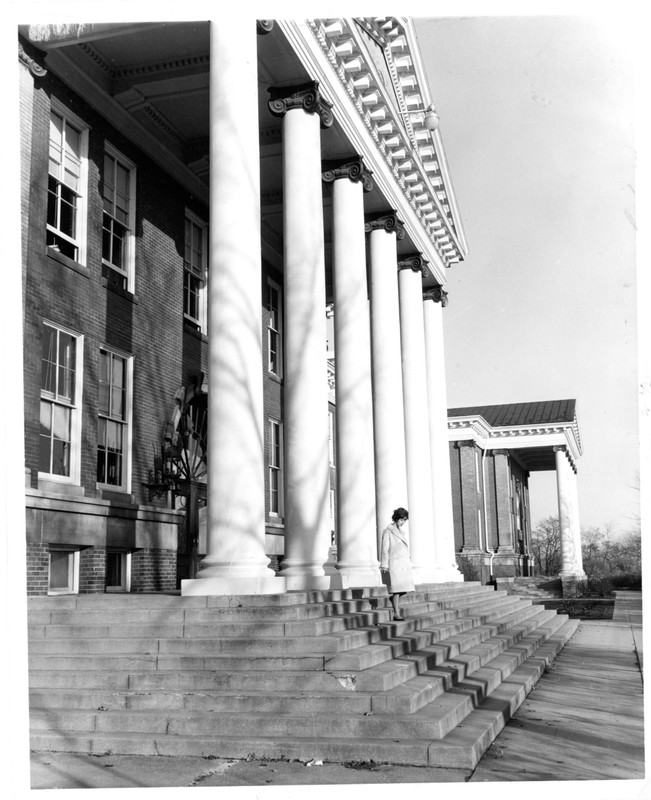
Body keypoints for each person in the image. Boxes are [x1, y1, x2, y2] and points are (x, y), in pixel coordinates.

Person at [380, 507, 414, 621]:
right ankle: (396, 614)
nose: (403, 522)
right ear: (396, 518)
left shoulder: (401, 532)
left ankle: (393, 602)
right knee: (397, 590)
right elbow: (384, 549)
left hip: (403, 564)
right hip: (394, 564)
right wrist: (384, 565)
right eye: (401, 520)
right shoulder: (388, 531)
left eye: (404, 520)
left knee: (407, 588)